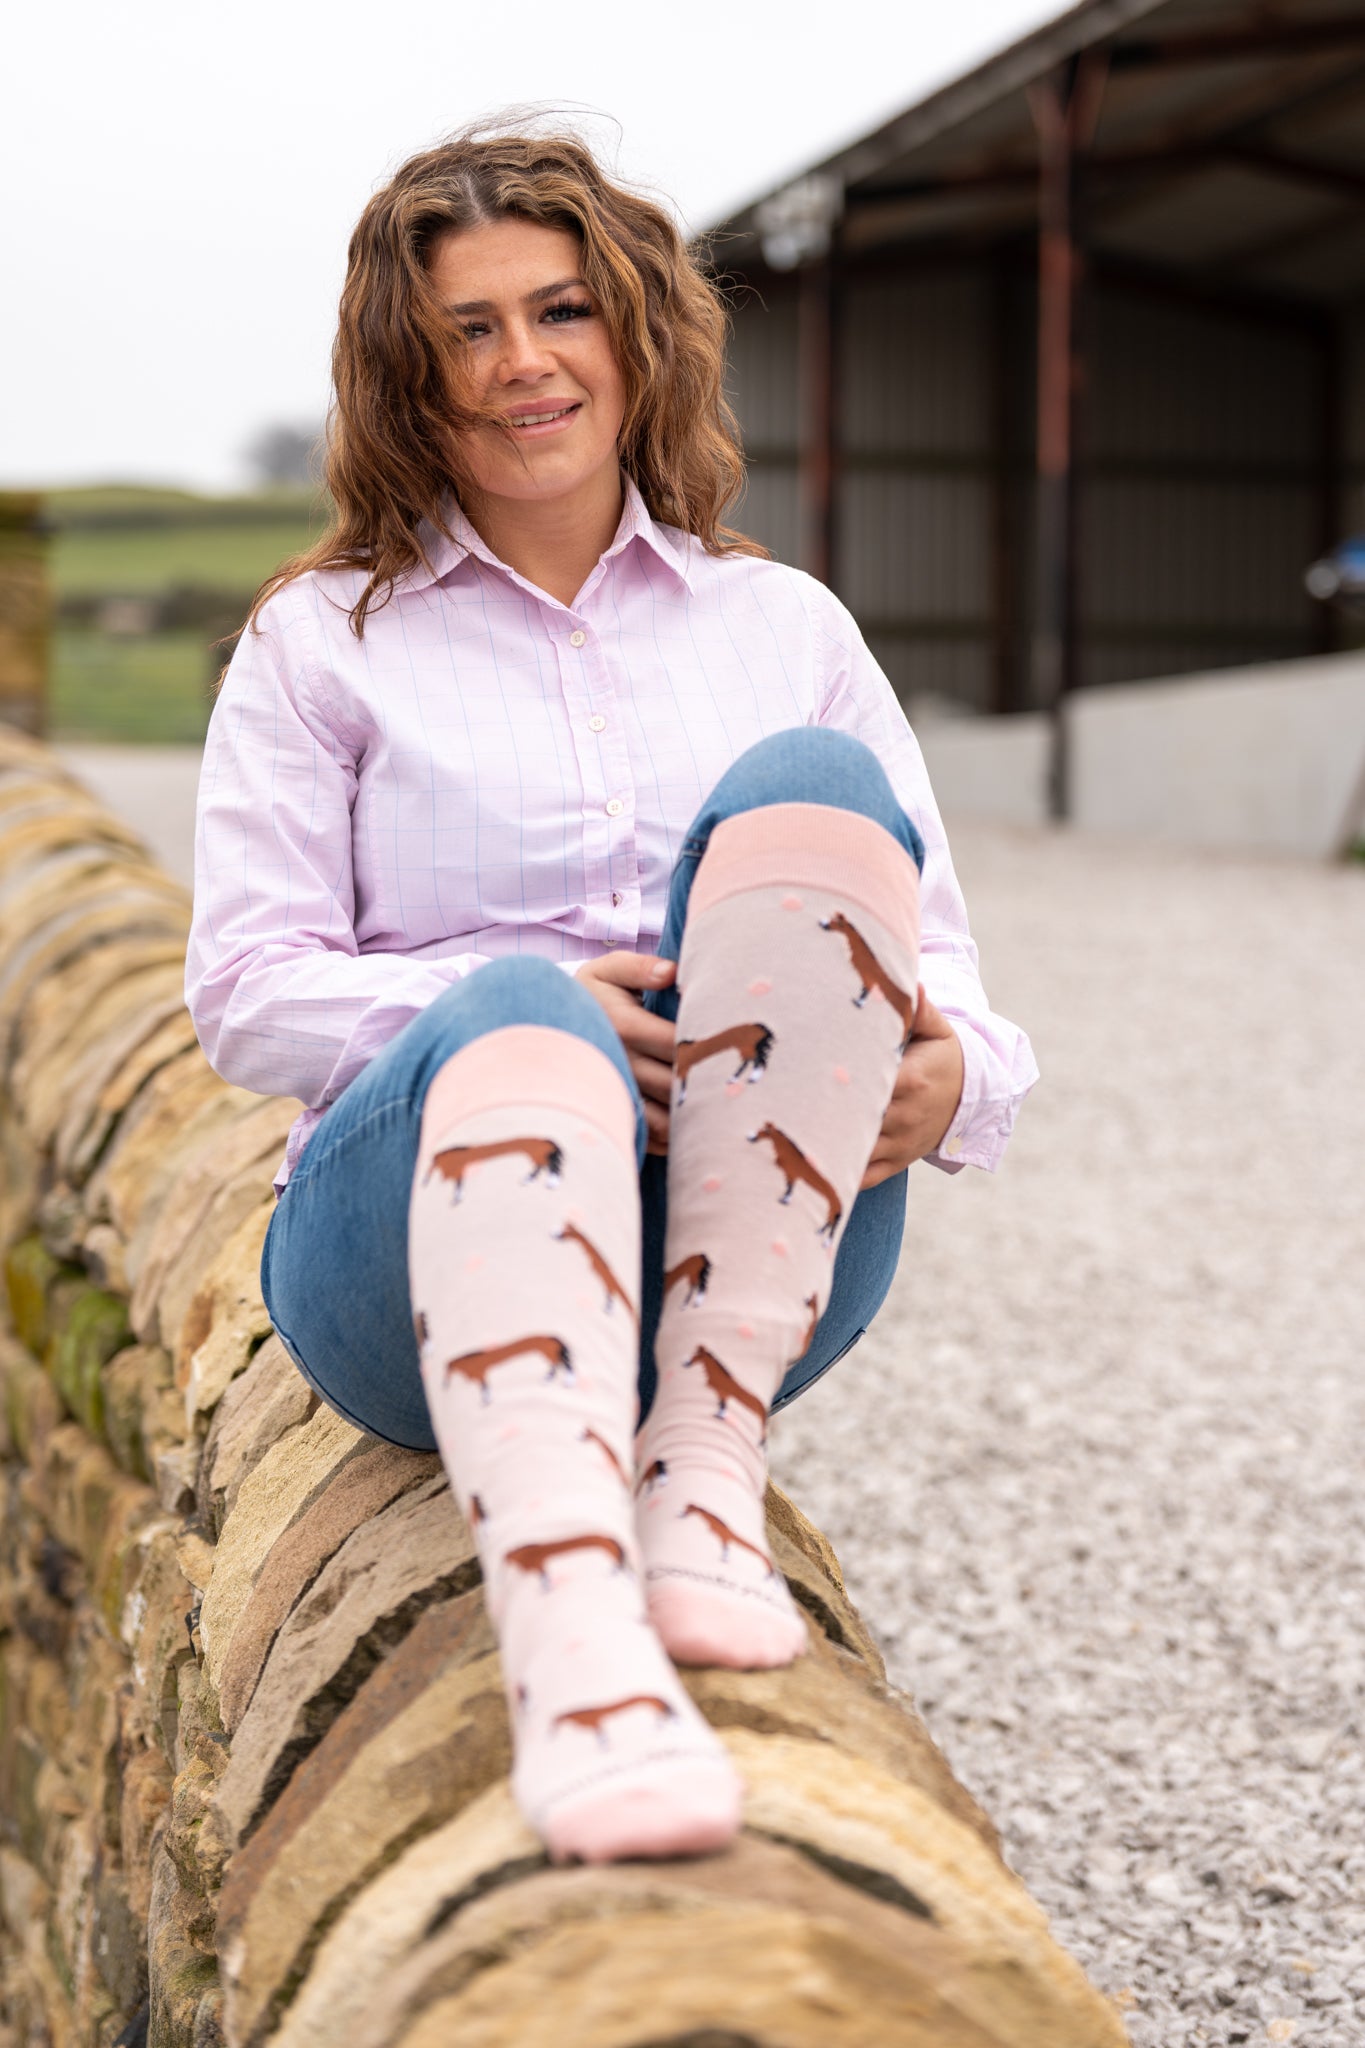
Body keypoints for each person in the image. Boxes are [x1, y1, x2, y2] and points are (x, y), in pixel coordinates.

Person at [185, 126, 1037, 1867]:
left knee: (809, 783)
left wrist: (962, 1078)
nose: (522, 366)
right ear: (404, 378)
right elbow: (249, 995)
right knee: (516, 1007)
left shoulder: (780, 621)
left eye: (558, 310)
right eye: (465, 331)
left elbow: (936, 953)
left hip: (758, 1245)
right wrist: (522, 1008)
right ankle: (576, 1668)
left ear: (633, 329)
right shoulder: (319, 641)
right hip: (411, 1255)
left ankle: (702, 1476)